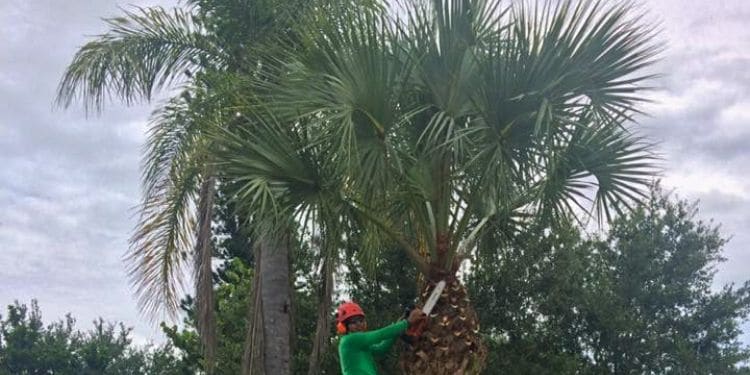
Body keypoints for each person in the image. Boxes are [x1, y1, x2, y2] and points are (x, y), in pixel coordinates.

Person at [336, 301, 426, 375]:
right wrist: (407, 322)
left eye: (361, 320)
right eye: (353, 322)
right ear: (345, 327)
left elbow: (381, 349)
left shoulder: (360, 346)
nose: (359, 324)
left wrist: (397, 329)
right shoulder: (349, 340)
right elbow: (379, 335)